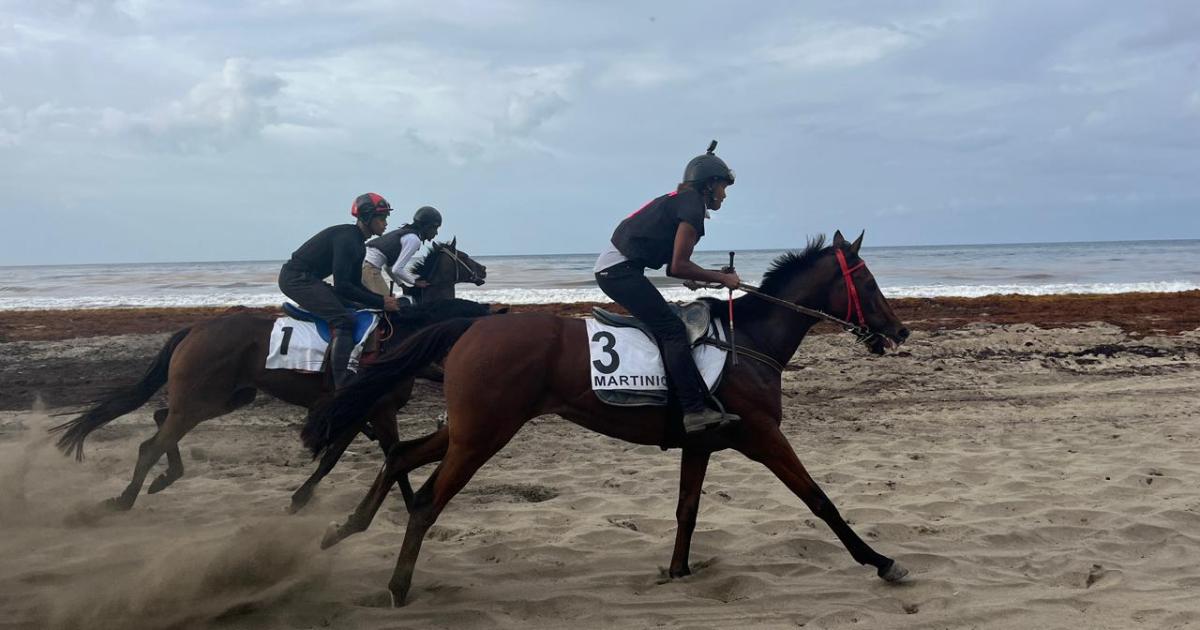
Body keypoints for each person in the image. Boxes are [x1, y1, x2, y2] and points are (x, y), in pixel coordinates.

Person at [593, 141, 741, 434]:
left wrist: (705, 277)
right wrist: (722, 278)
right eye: (724, 187)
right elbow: (678, 266)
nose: (725, 194)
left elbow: (674, 267)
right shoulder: (692, 207)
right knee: (673, 329)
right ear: (709, 184)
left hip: (618, 269)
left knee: (669, 325)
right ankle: (693, 411)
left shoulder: (680, 200)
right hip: (618, 272)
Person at [278, 192, 402, 388]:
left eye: (386, 218)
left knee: (358, 307)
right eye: (382, 218)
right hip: (295, 280)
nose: (386, 223)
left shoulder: (358, 244)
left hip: (308, 279)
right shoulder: (347, 239)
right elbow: (343, 286)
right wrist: (381, 301)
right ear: (368, 217)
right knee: (344, 320)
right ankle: (342, 381)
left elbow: (353, 286)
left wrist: (381, 300)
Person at [361, 205, 443, 297]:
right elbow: (397, 269)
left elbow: (389, 267)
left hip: (363, 264)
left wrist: (402, 285)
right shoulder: (414, 240)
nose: (436, 233)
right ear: (426, 227)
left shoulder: (406, 234)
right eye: (435, 228)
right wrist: (415, 282)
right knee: (389, 304)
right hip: (369, 268)